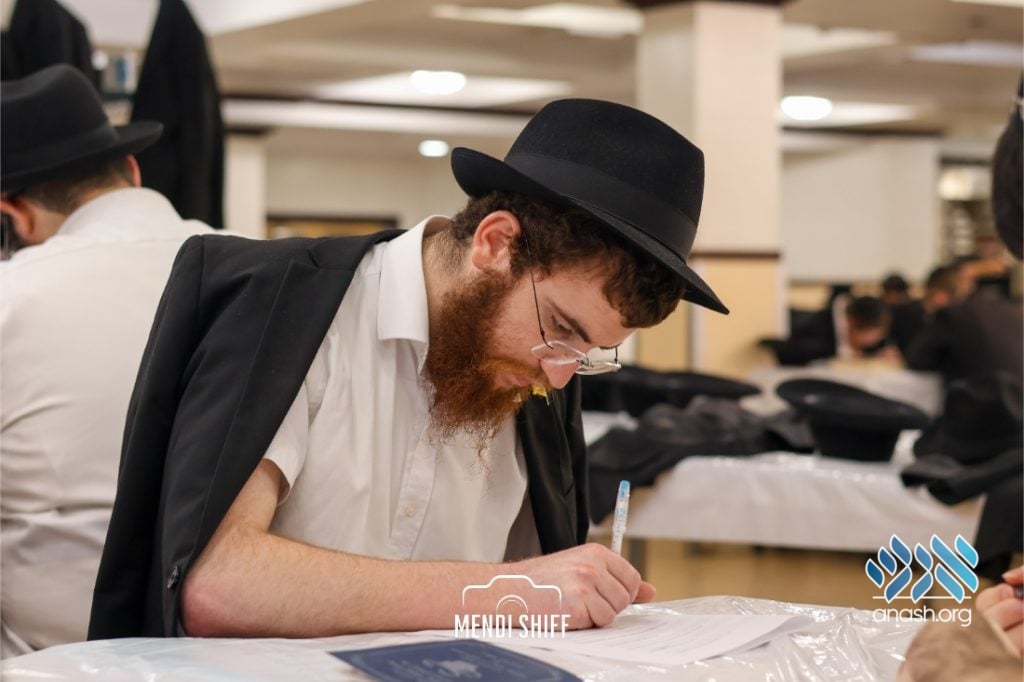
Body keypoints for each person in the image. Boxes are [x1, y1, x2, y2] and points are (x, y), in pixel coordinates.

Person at [89, 98, 730, 639]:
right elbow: (217, 584)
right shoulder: (288, 307)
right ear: (495, 243)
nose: (558, 378)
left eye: (587, 356)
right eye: (561, 330)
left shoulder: (538, 370)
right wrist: (502, 591)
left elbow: (538, 600)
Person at [0, 65, 214, 656]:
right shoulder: (272, 269)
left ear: (14, 214)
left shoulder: (11, 297)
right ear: (133, 171)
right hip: (250, 652)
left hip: (52, 660)